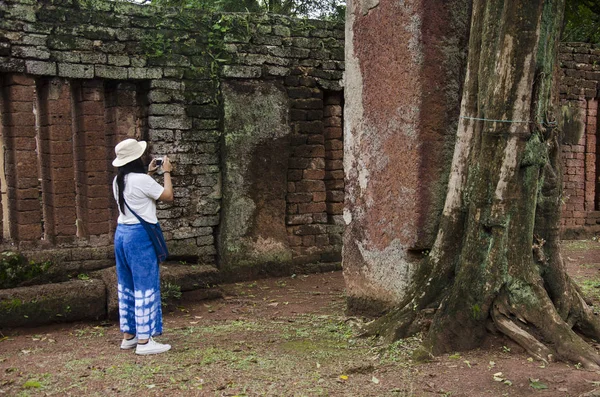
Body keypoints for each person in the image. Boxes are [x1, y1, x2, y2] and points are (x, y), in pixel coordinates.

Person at [111, 138, 173, 355]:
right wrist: (166, 172)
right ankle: (145, 342)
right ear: (136, 158)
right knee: (145, 285)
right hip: (139, 237)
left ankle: (130, 336)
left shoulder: (118, 180)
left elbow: (137, 194)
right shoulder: (140, 180)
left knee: (127, 285)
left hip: (121, 235)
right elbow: (168, 196)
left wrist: (149, 174)